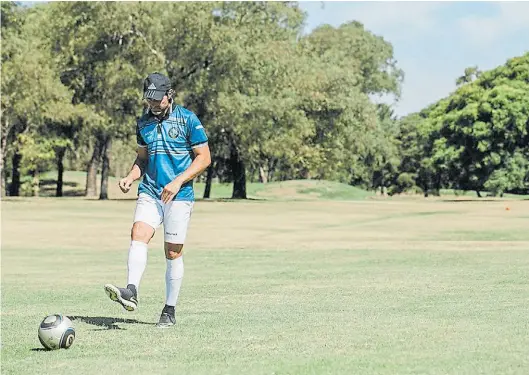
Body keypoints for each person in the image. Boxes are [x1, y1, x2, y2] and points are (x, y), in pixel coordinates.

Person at [104, 72, 211, 328]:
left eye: (156, 99)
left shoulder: (188, 119)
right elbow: (142, 158)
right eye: (148, 99)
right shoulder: (143, 123)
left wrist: (177, 182)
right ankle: (131, 291)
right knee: (138, 233)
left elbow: (204, 158)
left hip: (179, 195)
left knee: (173, 253)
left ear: (169, 94)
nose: (152, 104)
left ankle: (169, 310)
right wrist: (131, 177)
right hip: (151, 190)